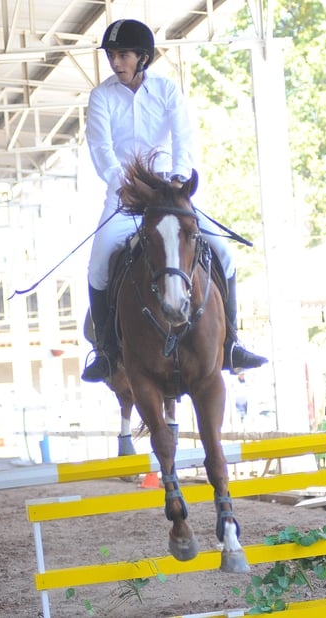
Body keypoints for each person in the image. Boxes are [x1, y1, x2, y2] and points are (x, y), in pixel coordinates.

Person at [82, 18, 268, 382]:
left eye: (123, 55)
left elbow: (184, 138)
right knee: (99, 262)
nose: (115, 62)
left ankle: (231, 342)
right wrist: (127, 184)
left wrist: (180, 177)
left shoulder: (167, 91)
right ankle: (106, 351)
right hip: (125, 197)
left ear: (143, 57)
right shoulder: (101, 97)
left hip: (170, 195)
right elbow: (101, 150)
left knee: (226, 254)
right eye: (112, 55)